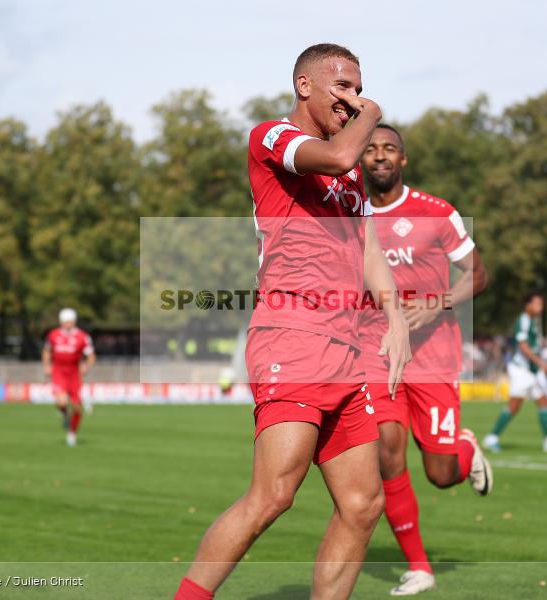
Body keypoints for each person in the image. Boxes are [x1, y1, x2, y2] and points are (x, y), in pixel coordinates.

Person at [175, 44, 411, 600]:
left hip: (348, 347)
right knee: (275, 494)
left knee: (362, 504)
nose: (352, 100)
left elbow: (368, 244)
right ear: (304, 86)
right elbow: (336, 159)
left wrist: (396, 317)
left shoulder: (350, 177)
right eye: (343, 87)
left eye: (359, 87)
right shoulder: (273, 137)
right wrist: (373, 112)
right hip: (293, 335)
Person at [358, 124, 492, 595]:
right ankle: (420, 567)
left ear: (403, 160)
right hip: (377, 357)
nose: (379, 156)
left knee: (439, 474)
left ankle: (466, 448)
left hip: (433, 356)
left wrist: (437, 302)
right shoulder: (347, 216)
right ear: (360, 158)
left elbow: (477, 275)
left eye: (388, 149)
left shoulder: (436, 213)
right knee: (386, 456)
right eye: (370, 149)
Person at [484, 291, 547, 454]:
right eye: (537, 303)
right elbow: (522, 346)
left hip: (532, 370)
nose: (540, 307)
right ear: (527, 305)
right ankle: (491, 438)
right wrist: (541, 363)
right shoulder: (524, 320)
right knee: (515, 405)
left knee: (544, 402)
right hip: (522, 370)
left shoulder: (533, 321)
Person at [42, 308, 95, 447]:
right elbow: (47, 351)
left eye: (70, 321)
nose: (67, 324)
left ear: (74, 321)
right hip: (58, 371)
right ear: (61, 322)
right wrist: (46, 365)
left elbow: (91, 356)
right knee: (61, 402)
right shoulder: (53, 335)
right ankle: (65, 415)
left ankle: (72, 433)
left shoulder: (82, 336)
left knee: (77, 407)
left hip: (74, 373)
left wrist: (87, 366)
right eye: (65, 322)